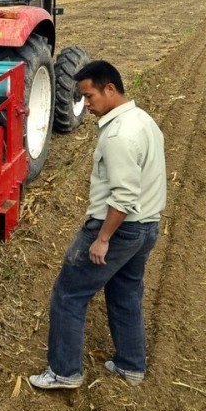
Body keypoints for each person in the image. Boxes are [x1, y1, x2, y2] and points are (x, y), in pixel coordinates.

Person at [29, 60, 166, 389]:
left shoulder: (118, 134)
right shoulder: (143, 120)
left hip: (119, 229)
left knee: (69, 294)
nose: (85, 104)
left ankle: (64, 372)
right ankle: (131, 365)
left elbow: (122, 197)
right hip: (147, 226)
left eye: (89, 96)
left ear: (110, 89)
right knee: (126, 292)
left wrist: (103, 238)